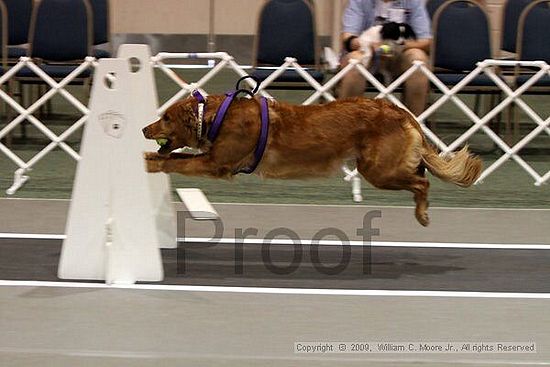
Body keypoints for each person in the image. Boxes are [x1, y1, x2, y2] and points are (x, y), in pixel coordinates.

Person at [338, 0, 432, 116]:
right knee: (354, 61)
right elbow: (347, 38)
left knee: (419, 59)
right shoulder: (359, 2)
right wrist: (368, 43)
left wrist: (395, 46)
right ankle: (347, 124)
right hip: (368, 53)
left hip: (400, 56)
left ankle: (413, 124)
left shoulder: (413, 2)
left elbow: (425, 41)